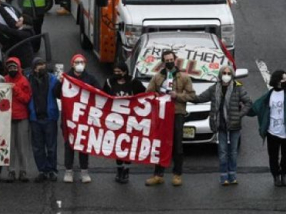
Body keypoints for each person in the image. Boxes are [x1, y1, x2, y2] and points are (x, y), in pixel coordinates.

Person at [192, 65, 252, 185]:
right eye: (224, 73)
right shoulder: (214, 88)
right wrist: (182, 97)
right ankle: (224, 177)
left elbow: (248, 103)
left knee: (233, 152)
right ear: (220, 75)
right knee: (223, 152)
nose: (226, 75)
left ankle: (233, 175)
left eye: (229, 73)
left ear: (232, 75)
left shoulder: (238, 88)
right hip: (220, 125)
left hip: (234, 125)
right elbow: (199, 98)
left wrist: (239, 115)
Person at [145, 50, 195, 187]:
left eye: (171, 59)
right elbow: (148, 94)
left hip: (177, 113)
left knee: (177, 145)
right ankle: (158, 174)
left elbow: (192, 96)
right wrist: (156, 96)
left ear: (175, 59)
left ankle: (177, 175)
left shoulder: (184, 77)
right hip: (161, 115)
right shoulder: (157, 78)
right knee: (160, 144)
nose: (169, 62)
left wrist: (177, 96)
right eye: (166, 60)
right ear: (163, 62)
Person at [56, 54, 100, 183]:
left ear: (85, 64)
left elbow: (100, 92)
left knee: (83, 144)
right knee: (69, 145)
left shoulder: (90, 79)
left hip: (84, 117)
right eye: (77, 62)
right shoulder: (66, 78)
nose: (79, 64)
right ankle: (68, 171)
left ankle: (84, 171)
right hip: (69, 117)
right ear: (72, 64)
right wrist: (59, 83)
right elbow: (57, 94)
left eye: (82, 62)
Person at [103, 62, 146, 184]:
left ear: (125, 72)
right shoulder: (109, 82)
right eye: (115, 72)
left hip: (130, 120)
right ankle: (119, 170)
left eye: (119, 72)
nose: (117, 74)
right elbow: (102, 97)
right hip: (115, 120)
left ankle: (126, 171)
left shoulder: (133, 82)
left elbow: (145, 95)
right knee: (118, 146)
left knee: (127, 145)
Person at [2, 58, 33, 183]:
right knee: (10, 147)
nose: (12, 70)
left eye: (14, 67)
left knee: (22, 146)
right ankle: (11, 171)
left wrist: (16, 90)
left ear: (19, 68)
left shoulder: (24, 81)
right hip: (8, 117)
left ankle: (23, 170)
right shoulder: (4, 80)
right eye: (10, 68)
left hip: (21, 118)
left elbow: (26, 98)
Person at [28, 57, 59, 183]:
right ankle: (42, 170)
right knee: (37, 147)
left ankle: (51, 170)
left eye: (42, 65)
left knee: (51, 147)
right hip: (35, 118)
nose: (41, 67)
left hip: (49, 117)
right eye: (38, 65)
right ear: (34, 68)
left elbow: (60, 93)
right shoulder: (28, 80)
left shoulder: (52, 79)